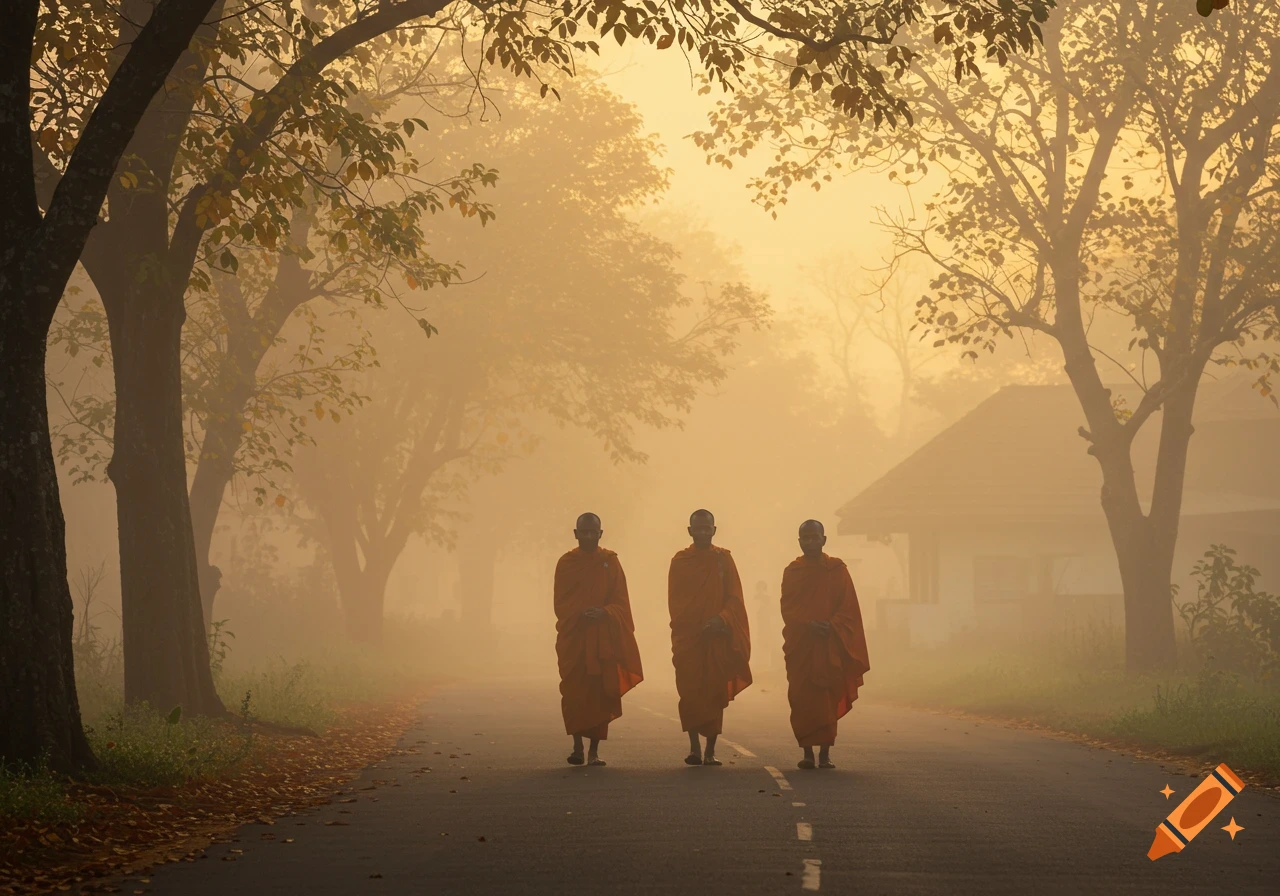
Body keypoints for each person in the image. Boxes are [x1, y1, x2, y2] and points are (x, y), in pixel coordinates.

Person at [554, 512, 644, 766]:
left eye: (593, 532)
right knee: (574, 691)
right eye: (584, 532)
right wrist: (580, 613)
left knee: (601, 691)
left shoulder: (610, 562)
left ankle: (593, 751)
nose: (589, 536)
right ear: (576, 534)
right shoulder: (567, 563)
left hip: (603, 636)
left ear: (600, 534)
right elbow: (560, 602)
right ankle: (576, 747)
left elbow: (621, 601)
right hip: (576, 636)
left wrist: (604, 612)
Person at [781, 519, 870, 770]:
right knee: (801, 697)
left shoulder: (837, 570)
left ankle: (825, 754)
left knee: (827, 696)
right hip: (802, 645)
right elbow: (787, 608)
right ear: (799, 541)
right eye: (805, 538)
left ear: (824, 539)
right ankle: (808, 753)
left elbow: (849, 607)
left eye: (814, 537)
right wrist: (808, 624)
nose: (810, 542)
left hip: (831, 642)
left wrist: (832, 625)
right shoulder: (793, 572)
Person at [667, 509, 752, 766]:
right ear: (690, 531)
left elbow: (735, 597)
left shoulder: (723, 560)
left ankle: (710, 750)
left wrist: (721, 619)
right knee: (690, 690)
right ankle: (694, 747)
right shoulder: (680, 561)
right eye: (698, 528)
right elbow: (675, 600)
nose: (703, 532)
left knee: (714, 690)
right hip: (690, 637)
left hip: (716, 636)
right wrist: (694, 623)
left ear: (714, 530)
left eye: (708, 528)